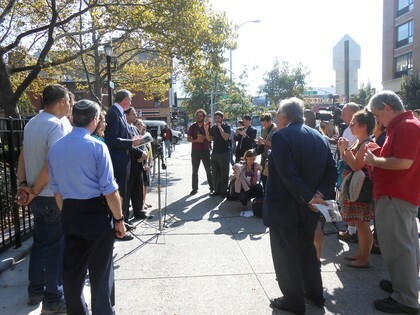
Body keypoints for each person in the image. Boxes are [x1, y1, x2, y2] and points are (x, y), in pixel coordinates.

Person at [47, 99, 126, 315]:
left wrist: (68, 213)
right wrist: (119, 220)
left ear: (73, 118)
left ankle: (77, 311)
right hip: (95, 213)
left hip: (70, 211)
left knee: (72, 272)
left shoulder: (56, 148)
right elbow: (110, 190)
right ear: (94, 120)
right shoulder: (97, 146)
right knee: (100, 272)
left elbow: (57, 191)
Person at [263, 97, 337, 315]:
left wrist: (310, 197)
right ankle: (315, 294)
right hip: (309, 208)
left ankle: (293, 301)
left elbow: (287, 174)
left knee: (285, 255)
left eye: (277, 114)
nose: (277, 118)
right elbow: (331, 171)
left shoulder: (281, 136)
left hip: (286, 206)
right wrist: (318, 195)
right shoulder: (319, 137)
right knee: (307, 251)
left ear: (284, 116)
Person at [16, 84, 71, 313]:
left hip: (36, 195)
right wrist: (35, 190)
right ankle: (53, 297)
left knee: (40, 244)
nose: (70, 105)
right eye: (68, 101)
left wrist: (24, 187)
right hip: (49, 195)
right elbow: (52, 165)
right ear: (60, 102)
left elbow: (23, 157)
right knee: (56, 247)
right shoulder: (56, 125)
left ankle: (35, 290)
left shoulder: (32, 123)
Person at [364, 91, 420, 314]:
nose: (378, 121)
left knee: (400, 247)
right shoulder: (405, 124)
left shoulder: (406, 126)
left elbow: (404, 162)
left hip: (396, 195)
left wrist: (375, 159)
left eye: (378, 115)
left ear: (387, 107)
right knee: (405, 244)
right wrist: (378, 153)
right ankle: (404, 286)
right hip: (399, 194)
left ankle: (406, 298)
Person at [337, 109, 379, 268]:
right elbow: (347, 160)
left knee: (363, 224)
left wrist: (346, 149)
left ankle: (365, 258)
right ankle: (361, 254)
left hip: (362, 189)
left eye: (353, 123)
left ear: (363, 125)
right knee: (360, 223)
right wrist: (344, 148)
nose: (350, 125)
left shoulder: (367, 143)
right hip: (356, 188)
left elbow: (355, 166)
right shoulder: (358, 141)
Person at [104, 89, 144, 239]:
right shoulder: (113, 113)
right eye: (131, 100)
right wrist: (131, 142)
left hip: (124, 161)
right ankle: (118, 229)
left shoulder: (119, 113)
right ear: (125, 100)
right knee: (120, 196)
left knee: (124, 195)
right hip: (118, 162)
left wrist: (135, 139)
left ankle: (124, 222)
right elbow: (112, 139)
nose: (131, 103)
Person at [337, 102, 361, 243]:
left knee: (351, 202)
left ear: (353, 112)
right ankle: (352, 230)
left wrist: (343, 148)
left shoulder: (354, 130)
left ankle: (352, 232)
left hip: (352, 170)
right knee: (350, 202)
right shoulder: (349, 129)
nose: (341, 116)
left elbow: (349, 153)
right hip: (350, 169)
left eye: (344, 113)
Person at [125, 107, 149, 220]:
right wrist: (140, 154)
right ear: (127, 115)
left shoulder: (134, 128)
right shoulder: (124, 128)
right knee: (127, 191)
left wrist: (143, 155)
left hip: (139, 164)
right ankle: (125, 217)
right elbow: (130, 145)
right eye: (133, 114)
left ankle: (139, 211)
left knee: (138, 189)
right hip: (130, 164)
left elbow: (139, 143)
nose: (136, 116)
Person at [187, 109, 214, 196]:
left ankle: (212, 188)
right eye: (198, 115)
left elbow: (211, 138)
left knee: (208, 171)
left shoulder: (208, 126)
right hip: (195, 151)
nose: (199, 117)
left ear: (204, 117)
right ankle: (194, 189)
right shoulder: (192, 126)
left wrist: (204, 137)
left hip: (206, 150)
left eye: (200, 116)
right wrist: (196, 140)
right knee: (195, 171)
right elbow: (188, 139)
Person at [206, 111, 231, 198]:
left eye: (218, 118)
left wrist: (220, 128)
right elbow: (209, 139)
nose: (217, 120)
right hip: (215, 153)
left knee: (224, 173)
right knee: (215, 173)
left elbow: (225, 137)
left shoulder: (226, 126)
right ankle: (216, 190)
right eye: (215, 118)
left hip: (224, 153)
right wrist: (206, 130)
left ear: (222, 118)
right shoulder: (213, 127)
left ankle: (224, 191)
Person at [255, 113, 277, 189]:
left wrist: (263, 140)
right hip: (264, 156)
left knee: (270, 177)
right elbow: (264, 143)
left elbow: (274, 144)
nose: (263, 125)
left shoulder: (276, 129)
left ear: (270, 121)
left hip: (272, 157)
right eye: (262, 123)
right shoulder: (264, 129)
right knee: (263, 176)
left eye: (265, 123)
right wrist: (260, 142)